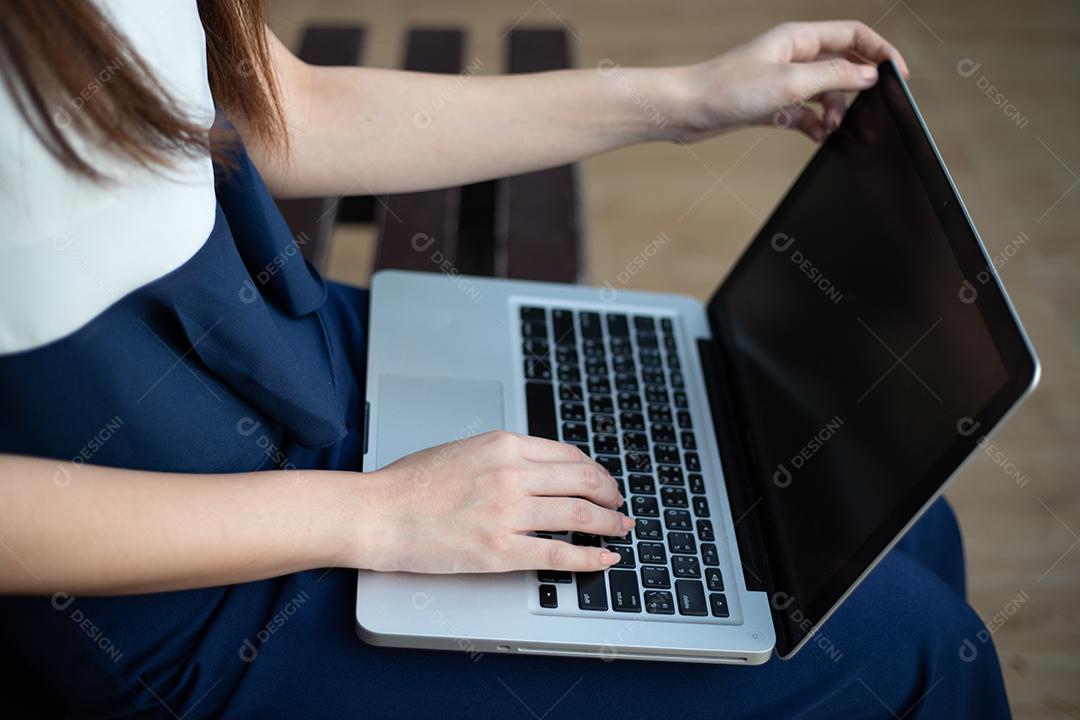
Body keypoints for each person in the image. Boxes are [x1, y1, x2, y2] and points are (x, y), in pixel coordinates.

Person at [0, 1, 1011, 717]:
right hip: (180, 594)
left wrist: (687, 99)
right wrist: (380, 516)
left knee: (888, 530)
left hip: (298, 357)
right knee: (912, 650)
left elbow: (276, 112)